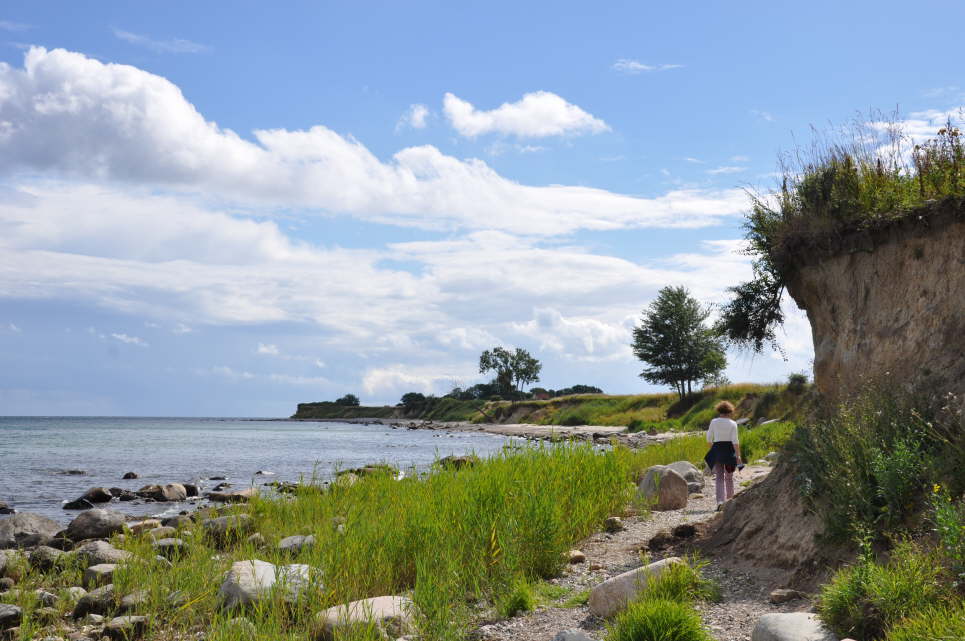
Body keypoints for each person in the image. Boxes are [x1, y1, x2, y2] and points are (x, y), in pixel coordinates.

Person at [703, 400, 742, 510]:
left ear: (719, 410)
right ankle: (730, 501)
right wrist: (738, 456)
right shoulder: (733, 423)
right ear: (730, 411)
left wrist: (713, 449)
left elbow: (708, 438)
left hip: (717, 450)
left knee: (719, 477)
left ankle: (720, 502)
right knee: (729, 478)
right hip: (729, 452)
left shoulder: (714, 422)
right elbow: (735, 441)